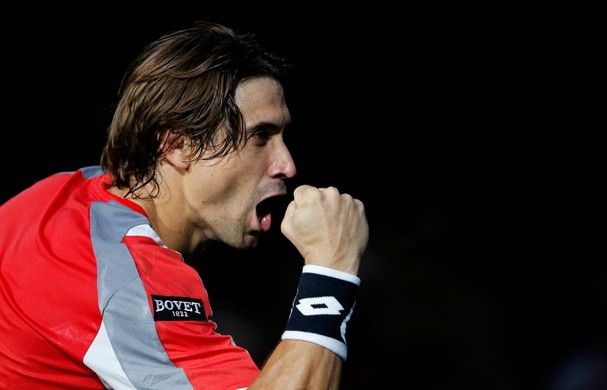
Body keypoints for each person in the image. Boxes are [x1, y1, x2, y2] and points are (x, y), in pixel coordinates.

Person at [0, 21, 369, 389]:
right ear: (177, 145)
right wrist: (330, 266)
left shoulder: (62, 195)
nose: (287, 164)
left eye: (283, 135)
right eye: (260, 135)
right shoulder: (119, 273)